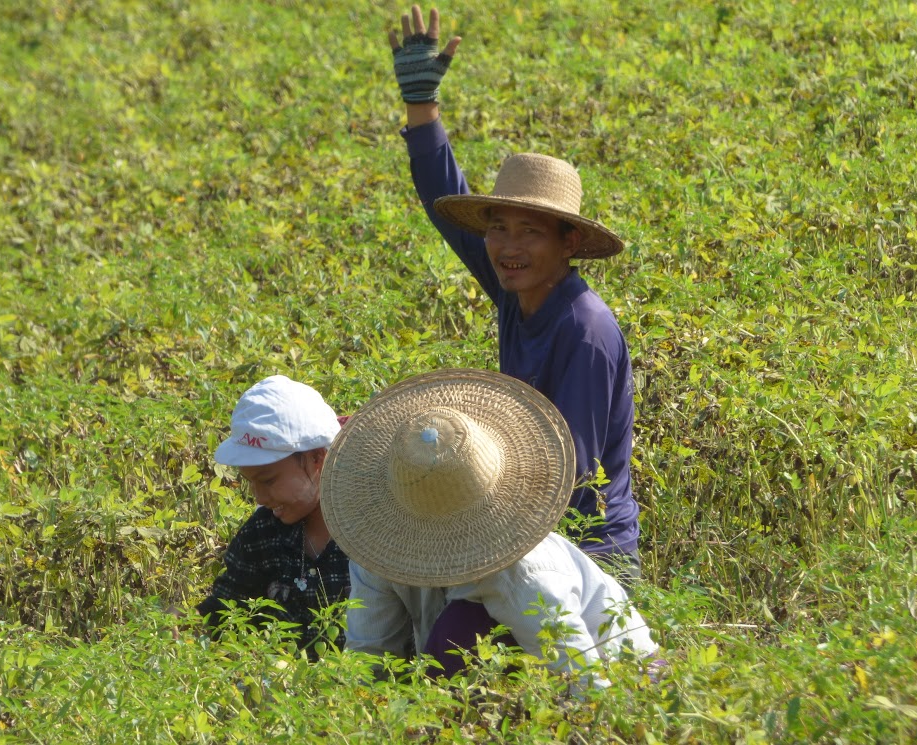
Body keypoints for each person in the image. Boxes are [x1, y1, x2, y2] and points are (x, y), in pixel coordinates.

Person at [388, 6, 641, 577]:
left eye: (530, 231)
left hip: (589, 557)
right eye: (499, 228)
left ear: (568, 241)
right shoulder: (517, 287)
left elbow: (570, 473)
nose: (507, 246)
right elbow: (442, 202)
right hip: (526, 535)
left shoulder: (584, 330)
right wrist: (421, 107)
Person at [320, 368, 660, 687]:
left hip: (631, 680)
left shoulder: (523, 574)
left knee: (461, 630)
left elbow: (585, 683)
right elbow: (368, 660)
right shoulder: (380, 549)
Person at [196, 375, 351, 658]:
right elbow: (227, 608)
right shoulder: (264, 533)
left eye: (267, 481)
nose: (259, 498)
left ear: (317, 458)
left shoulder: (371, 532)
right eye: (250, 482)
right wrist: (185, 622)